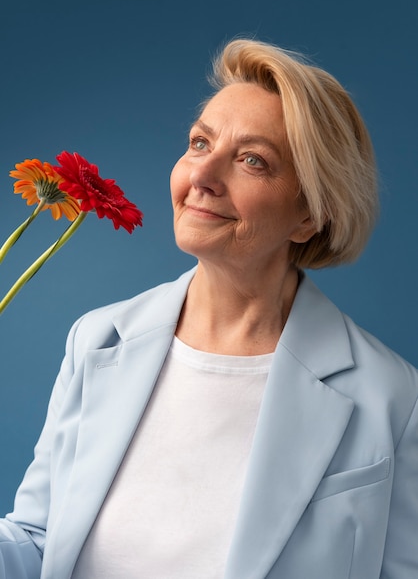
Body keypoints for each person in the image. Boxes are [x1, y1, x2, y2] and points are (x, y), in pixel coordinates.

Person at [1, 39, 417, 579]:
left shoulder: (394, 399)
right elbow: (36, 539)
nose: (203, 175)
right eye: (200, 142)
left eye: (252, 160)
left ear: (309, 215)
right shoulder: (98, 338)